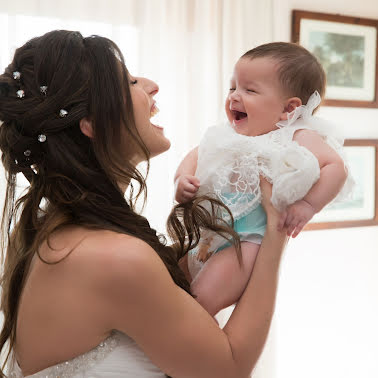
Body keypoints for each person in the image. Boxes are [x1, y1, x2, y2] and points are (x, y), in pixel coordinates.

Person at [0, 30, 288, 378]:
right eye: (130, 81)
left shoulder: (47, 228)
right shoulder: (112, 257)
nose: (151, 85)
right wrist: (276, 230)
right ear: (90, 124)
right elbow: (227, 369)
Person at [174, 42, 353, 317]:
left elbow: (335, 167)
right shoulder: (227, 135)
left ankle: (197, 349)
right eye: (232, 87)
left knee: (202, 299)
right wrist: (182, 179)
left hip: (249, 241)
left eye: (249, 90)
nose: (234, 96)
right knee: (173, 286)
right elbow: (195, 155)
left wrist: (308, 205)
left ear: (288, 110)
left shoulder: (296, 136)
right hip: (208, 232)